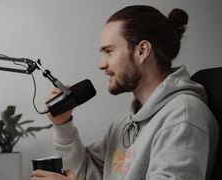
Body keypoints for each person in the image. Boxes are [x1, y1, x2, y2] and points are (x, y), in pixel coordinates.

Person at [31, 5, 219, 180]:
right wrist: (63, 124)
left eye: (109, 52)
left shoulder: (183, 117)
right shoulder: (125, 122)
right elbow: (83, 172)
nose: (102, 64)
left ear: (142, 50)